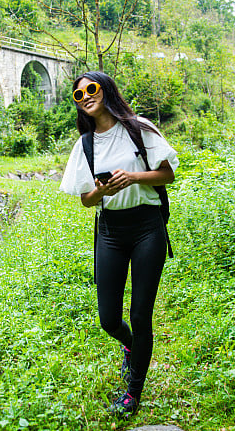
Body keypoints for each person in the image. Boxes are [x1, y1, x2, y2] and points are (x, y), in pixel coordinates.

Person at [59, 71, 178, 416]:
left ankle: (133, 393)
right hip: (110, 231)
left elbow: (167, 174)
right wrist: (101, 191)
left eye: (91, 89)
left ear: (106, 89)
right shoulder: (85, 144)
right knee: (109, 319)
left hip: (147, 227)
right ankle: (130, 348)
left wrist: (134, 177)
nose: (86, 97)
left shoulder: (137, 128)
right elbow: (85, 199)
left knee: (140, 315)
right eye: (78, 95)